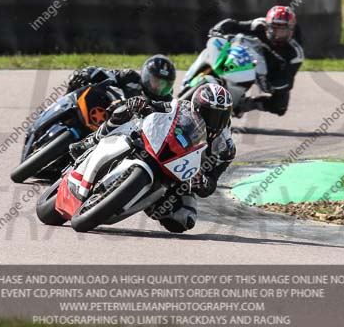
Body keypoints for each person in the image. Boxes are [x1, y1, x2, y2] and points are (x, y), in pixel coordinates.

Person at [70, 82, 235, 234]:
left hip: (179, 176)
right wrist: (142, 104)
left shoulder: (225, 148)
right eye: (210, 113)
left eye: (221, 115)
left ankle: (146, 200)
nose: (214, 121)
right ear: (196, 107)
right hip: (154, 146)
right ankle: (91, 141)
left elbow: (212, 182)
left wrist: (203, 182)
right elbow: (158, 106)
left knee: (183, 220)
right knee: (125, 111)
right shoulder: (183, 107)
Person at [209, 5, 304, 117]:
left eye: (283, 31)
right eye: (274, 29)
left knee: (280, 107)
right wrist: (217, 30)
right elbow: (233, 24)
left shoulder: (295, 52)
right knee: (220, 46)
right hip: (251, 55)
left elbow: (287, 81)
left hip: (272, 70)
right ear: (267, 26)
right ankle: (211, 72)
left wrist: (271, 84)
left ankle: (245, 104)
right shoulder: (259, 25)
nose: (278, 35)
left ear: (291, 30)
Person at [66, 54, 176, 104]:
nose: (158, 86)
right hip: (106, 113)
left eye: (163, 84)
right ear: (147, 76)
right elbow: (106, 74)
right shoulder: (130, 77)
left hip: (125, 137)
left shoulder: (166, 103)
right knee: (78, 83)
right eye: (156, 81)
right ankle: (64, 104)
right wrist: (87, 74)